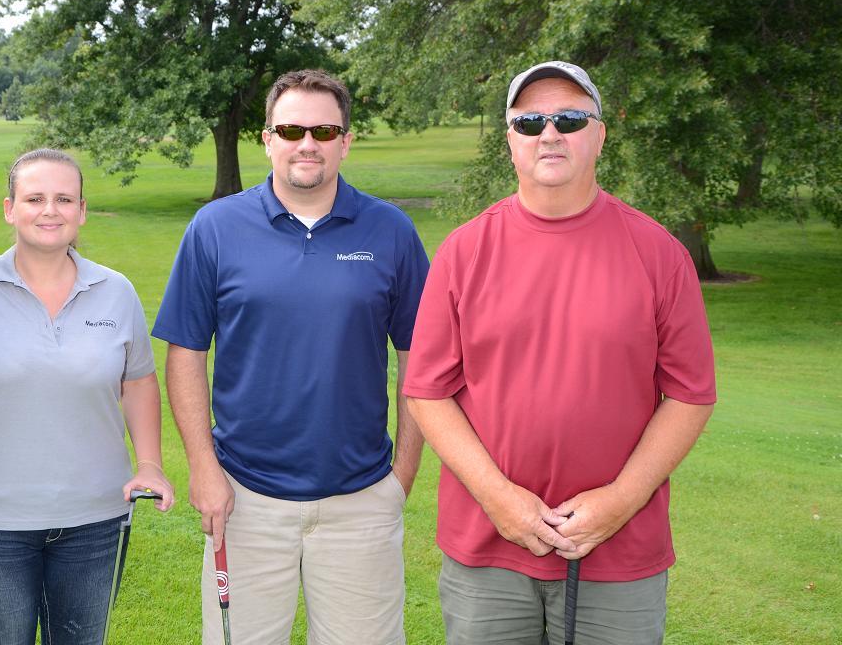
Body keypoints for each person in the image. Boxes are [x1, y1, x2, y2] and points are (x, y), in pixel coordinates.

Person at [404, 61, 717, 644]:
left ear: (598, 135)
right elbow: (427, 391)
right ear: (510, 143)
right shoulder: (464, 251)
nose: (549, 133)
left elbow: (690, 394)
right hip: (488, 551)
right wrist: (501, 501)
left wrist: (621, 501)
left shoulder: (658, 253)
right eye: (529, 122)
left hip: (619, 554)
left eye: (570, 118)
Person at [153, 69, 430, 644]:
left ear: (346, 141)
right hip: (244, 500)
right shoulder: (215, 228)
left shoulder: (392, 231)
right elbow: (185, 352)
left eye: (325, 131)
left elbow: (418, 358)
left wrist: (400, 477)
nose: (308, 143)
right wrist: (204, 469)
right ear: (268, 139)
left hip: (360, 500)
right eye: (292, 129)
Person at [0, 148, 174, 645]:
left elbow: (137, 380)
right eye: (34, 198)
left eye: (64, 199)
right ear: (10, 209)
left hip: (94, 517)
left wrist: (151, 464)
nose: (50, 210)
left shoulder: (116, 291)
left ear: (82, 210)